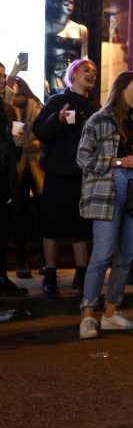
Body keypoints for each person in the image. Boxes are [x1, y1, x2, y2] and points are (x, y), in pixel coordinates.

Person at [76, 72, 133, 339]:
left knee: (128, 256)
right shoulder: (98, 120)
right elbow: (83, 158)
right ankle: (87, 314)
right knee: (103, 254)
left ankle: (110, 313)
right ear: (121, 89)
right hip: (108, 188)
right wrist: (119, 162)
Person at [33, 58, 97, 298]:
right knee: (52, 227)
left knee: (81, 228)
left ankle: (81, 276)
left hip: (84, 174)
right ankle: (50, 275)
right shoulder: (57, 101)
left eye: (93, 71)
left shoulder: (95, 107)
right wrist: (57, 120)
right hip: (58, 174)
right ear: (72, 75)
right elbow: (41, 132)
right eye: (85, 70)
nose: (90, 74)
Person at [2, 59, 44, 279]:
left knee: (40, 212)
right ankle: (22, 260)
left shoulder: (37, 106)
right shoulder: (7, 109)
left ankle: (43, 259)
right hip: (16, 163)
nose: (13, 91)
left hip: (36, 163)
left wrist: (39, 141)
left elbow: (47, 131)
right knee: (17, 214)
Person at [0, 65, 28, 295]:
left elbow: (7, 149)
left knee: (3, 228)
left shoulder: (6, 110)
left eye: (3, 76)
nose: (3, 81)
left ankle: (2, 277)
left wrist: (16, 146)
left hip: (4, 178)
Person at [45, 0, 89, 96]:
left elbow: (84, 55)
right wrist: (43, 77)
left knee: (73, 102)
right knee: (58, 99)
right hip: (55, 72)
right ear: (57, 4)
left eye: (72, 3)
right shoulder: (48, 26)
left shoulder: (81, 29)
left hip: (74, 74)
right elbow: (43, 55)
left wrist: (86, 74)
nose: (69, 5)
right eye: (66, 2)